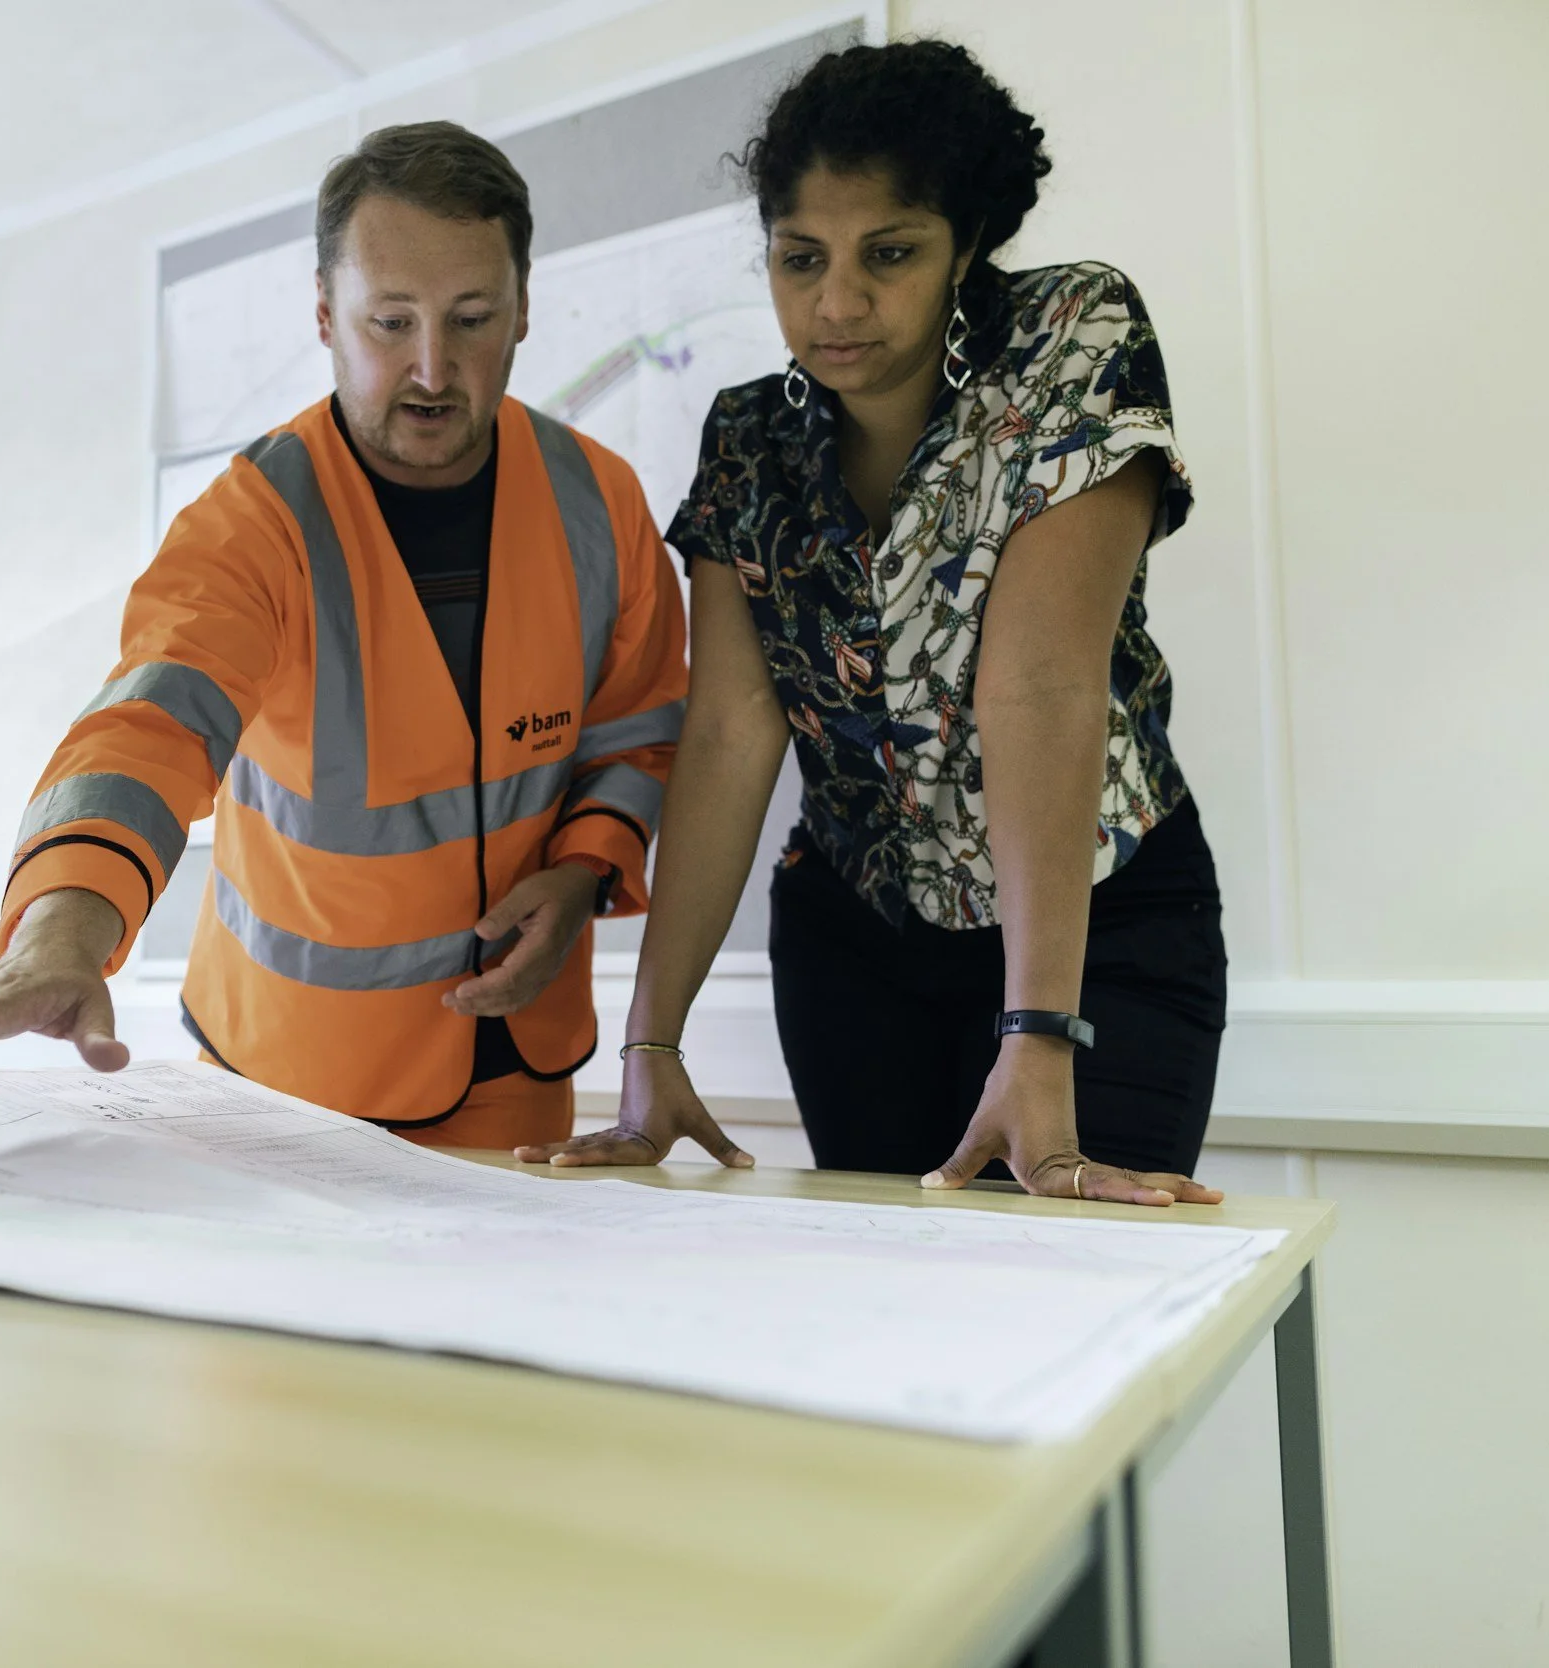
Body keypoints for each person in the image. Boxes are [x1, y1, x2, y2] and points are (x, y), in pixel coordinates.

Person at [0, 122, 689, 1153]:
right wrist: (61, 934)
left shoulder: (600, 501)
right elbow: (148, 728)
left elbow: (634, 731)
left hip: (516, 1063)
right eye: (388, 323)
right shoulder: (248, 523)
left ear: (523, 313)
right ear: (325, 316)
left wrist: (585, 868)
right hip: (287, 1082)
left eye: (471, 319)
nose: (431, 367)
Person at [516, 41, 1228, 1206]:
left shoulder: (1070, 337)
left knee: (1060, 1299)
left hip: (1095, 929)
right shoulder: (748, 440)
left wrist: (1037, 1033)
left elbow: (1037, 688)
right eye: (800, 259)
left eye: (888, 255)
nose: (836, 303)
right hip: (855, 947)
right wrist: (650, 1049)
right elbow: (732, 735)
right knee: (895, 1322)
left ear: (965, 247)